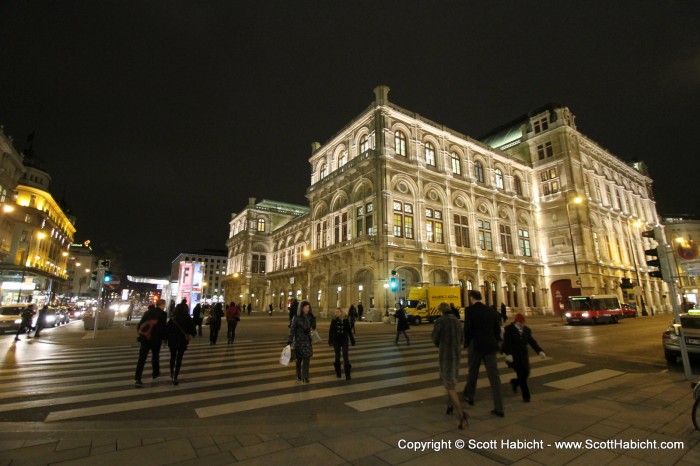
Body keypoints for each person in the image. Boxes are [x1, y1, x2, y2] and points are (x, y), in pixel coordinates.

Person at [463, 290, 504, 417]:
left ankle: (470, 396)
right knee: (494, 377)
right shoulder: (492, 311)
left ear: (471, 298)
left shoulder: (469, 311)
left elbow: (467, 329)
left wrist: (467, 343)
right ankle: (499, 408)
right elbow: (498, 331)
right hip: (490, 346)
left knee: (473, 372)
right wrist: (495, 342)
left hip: (476, 345)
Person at [431, 302, 468, 429]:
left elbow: (435, 338)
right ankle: (450, 405)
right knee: (451, 381)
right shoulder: (457, 322)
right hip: (456, 356)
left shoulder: (440, 321)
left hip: (446, 356)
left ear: (441, 311)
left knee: (449, 385)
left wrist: (441, 345)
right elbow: (462, 339)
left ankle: (462, 415)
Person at [502, 313, 545, 402]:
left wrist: (539, 351)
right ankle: (526, 396)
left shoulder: (527, 330)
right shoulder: (509, 330)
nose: (522, 325)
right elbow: (507, 343)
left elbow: (532, 342)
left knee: (526, 373)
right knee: (521, 375)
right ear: (517, 322)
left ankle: (515, 382)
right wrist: (508, 354)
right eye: (521, 323)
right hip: (514, 357)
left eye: (523, 323)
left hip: (524, 357)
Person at [134, 299, 168, 388]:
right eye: (164, 305)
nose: (165, 307)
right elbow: (163, 328)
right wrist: (165, 339)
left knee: (142, 358)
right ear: (163, 305)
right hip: (156, 340)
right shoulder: (163, 314)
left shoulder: (148, 312)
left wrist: (141, 335)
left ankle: (138, 378)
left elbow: (140, 325)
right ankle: (155, 373)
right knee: (155, 355)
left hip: (145, 339)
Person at [166, 303, 197, 386]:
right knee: (179, 358)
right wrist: (191, 334)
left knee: (172, 356)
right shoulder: (188, 318)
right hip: (182, 341)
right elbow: (193, 331)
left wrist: (165, 339)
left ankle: (172, 372)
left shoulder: (172, 319)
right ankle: (175, 377)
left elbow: (167, 330)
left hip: (172, 340)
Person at [288, 300, 316, 382]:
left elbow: (313, 329)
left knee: (307, 359)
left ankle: (305, 376)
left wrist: (314, 320)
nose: (307, 309)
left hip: (307, 341)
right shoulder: (296, 318)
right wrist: (289, 340)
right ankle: (298, 375)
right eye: (305, 307)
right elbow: (292, 330)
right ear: (301, 308)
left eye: (308, 307)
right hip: (298, 341)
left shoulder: (310, 317)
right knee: (298, 360)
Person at [329, 307, 355, 380]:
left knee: (345, 357)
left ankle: (348, 374)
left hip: (344, 340)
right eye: (335, 312)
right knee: (337, 357)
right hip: (336, 340)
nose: (336, 313)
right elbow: (331, 331)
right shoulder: (334, 321)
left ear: (341, 313)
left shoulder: (346, 321)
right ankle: (338, 372)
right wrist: (330, 340)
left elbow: (349, 331)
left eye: (337, 312)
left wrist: (352, 340)